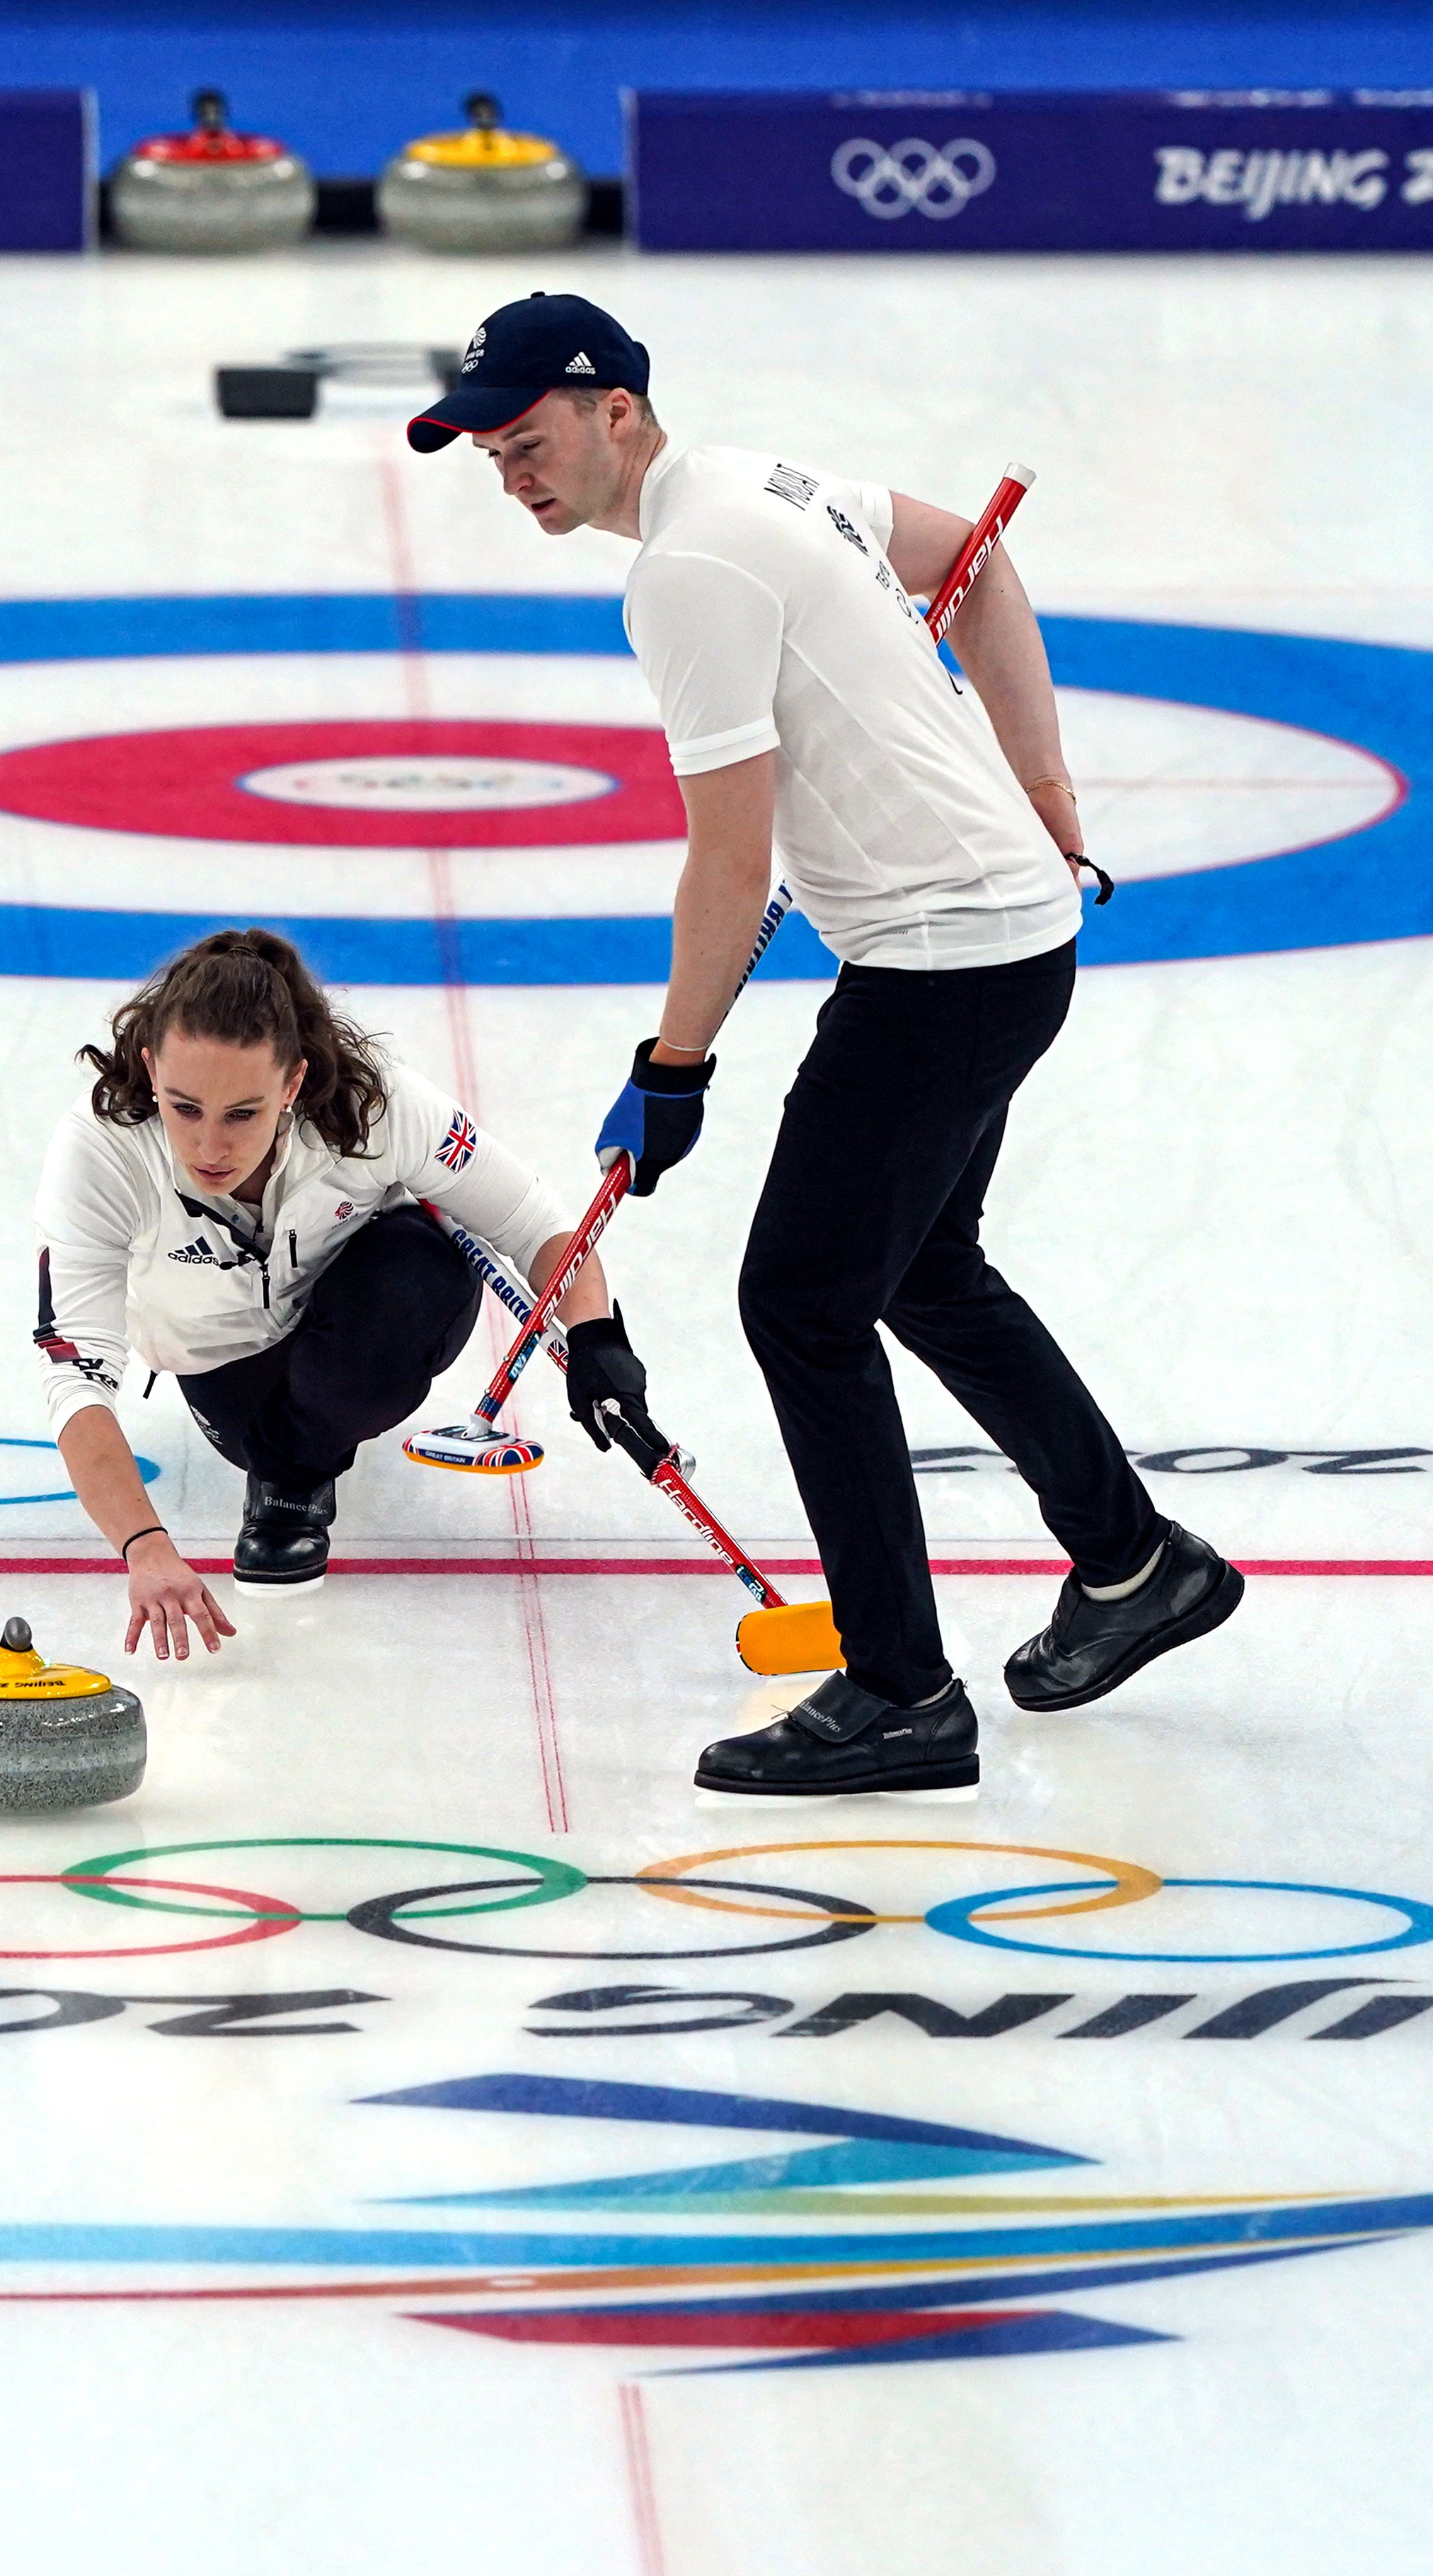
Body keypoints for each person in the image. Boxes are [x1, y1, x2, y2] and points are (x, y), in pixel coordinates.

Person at [410, 291, 1241, 1797]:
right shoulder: (764, 483)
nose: (509, 470)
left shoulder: (689, 566)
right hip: (999, 940)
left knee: (799, 1299)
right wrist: (1043, 807)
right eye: (484, 449)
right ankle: (1133, 1562)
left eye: (527, 437)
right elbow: (977, 570)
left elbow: (728, 862)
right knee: (915, 1269)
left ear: (616, 411)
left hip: (939, 962)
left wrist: (675, 1067)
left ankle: (897, 1689)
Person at [34, 927, 664, 1660]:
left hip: (359, 1303)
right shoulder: (99, 1150)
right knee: (268, 1428)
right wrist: (144, 1547)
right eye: (183, 1107)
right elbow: (73, 1376)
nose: (210, 1146)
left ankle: (298, 1470)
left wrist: (597, 1341)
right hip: (224, 1363)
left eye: (243, 1113)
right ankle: (287, 1465)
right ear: (149, 1069)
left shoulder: (377, 1101)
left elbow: (537, 1225)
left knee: (415, 1280)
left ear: (293, 1084)